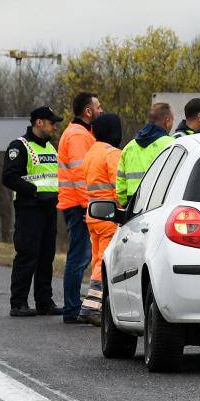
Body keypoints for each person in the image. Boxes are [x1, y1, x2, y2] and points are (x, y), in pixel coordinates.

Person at [2, 106, 61, 317]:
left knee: (47, 255)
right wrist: (34, 192)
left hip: (49, 208)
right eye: (51, 122)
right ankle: (18, 303)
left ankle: (44, 302)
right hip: (29, 208)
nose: (55, 126)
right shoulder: (20, 146)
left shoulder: (50, 148)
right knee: (28, 254)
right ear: (39, 122)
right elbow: (9, 177)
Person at [55, 91, 101, 324]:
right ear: (87, 111)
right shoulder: (78, 136)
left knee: (80, 256)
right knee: (78, 257)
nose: (100, 111)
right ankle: (72, 308)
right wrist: (89, 205)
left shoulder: (81, 133)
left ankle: (73, 306)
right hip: (79, 204)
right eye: (98, 107)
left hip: (76, 203)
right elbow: (80, 175)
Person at [78, 112, 123, 325]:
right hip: (109, 215)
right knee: (103, 263)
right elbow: (119, 186)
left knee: (97, 259)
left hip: (92, 213)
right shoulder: (112, 153)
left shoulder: (91, 152)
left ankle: (96, 304)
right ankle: (91, 307)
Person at [116, 102, 176, 209]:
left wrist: (126, 205)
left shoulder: (129, 147)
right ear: (167, 121)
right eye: (172, 121)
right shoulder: (172, 145)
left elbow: (121, 185)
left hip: (132, 208)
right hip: (159, 205)